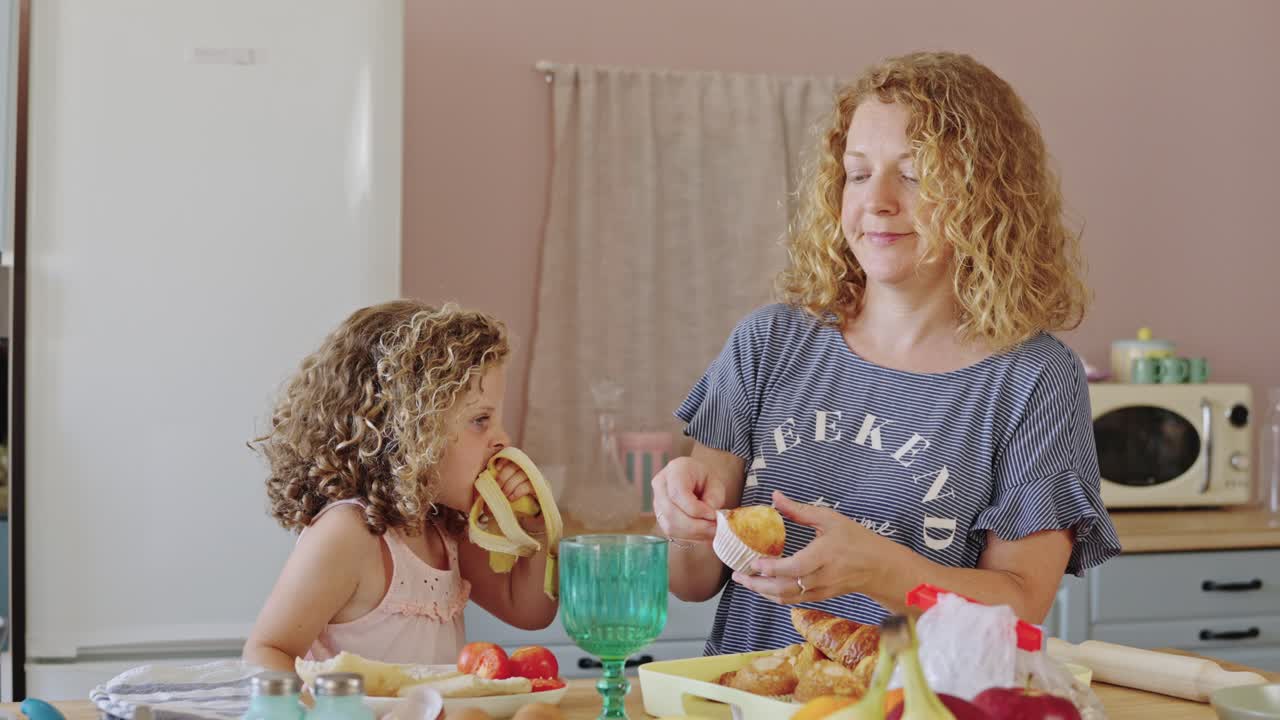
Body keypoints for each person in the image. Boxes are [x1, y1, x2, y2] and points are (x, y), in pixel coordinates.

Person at [651, 51, 1122, 656]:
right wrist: (682, 523)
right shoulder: (766, 345)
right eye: (857, 172)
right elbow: (692, 581)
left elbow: (1021, 605)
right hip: (755, 698)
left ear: (987, 195)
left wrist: (882, 571)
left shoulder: (1034, 379)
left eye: (916, 173)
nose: (877, 200)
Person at [243, 300, 556, 670]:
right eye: (480, 420)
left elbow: (529, 612)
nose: (502, 439)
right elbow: (267, 651)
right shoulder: (350, 534)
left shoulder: (444, 527)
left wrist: (533, 526)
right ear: (409, 429)